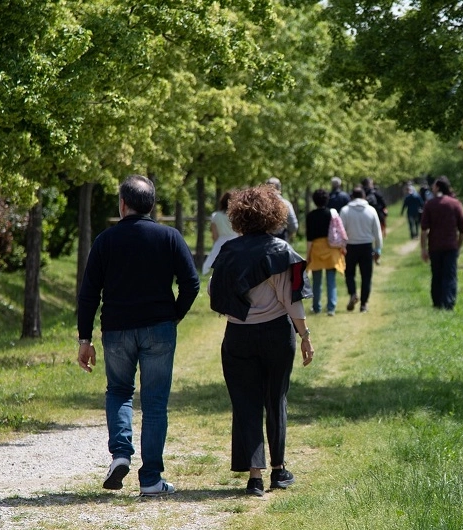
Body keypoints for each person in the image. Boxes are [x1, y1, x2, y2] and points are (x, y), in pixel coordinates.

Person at [76, 174, 200, 496]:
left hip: (116, 330)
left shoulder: (105, 241)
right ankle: (151, 480)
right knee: (155, 402)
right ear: (152, 205)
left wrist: (85, 339)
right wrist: (174, 315)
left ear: (122, 204)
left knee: (119, 391)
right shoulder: (169, 237)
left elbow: (89, 293)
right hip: (159, 327)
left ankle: (120, 454)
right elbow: (191, 283)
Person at [208, 185, 314, 496]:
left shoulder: (228, 251)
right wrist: (305, 335)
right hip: (275, 334)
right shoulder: (281, 251)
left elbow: (214, 292)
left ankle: (254, 476)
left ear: (238, 216)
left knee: (245, 403)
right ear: (275, 215)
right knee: (275, 399)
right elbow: (291, 299)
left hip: (237, 336)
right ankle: (279, 471)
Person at [420, 176, 463, 310]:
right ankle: (449, 302)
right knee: (450, 275)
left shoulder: (430, 204)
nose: (432, 188)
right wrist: (458, 246)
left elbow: (424, 229)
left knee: (437, 275)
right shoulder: (455, 204)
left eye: (433, 186)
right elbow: (462, 229)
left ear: (438, 187)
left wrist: (423, 248)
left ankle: (438, 302)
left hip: (435, 246)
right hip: (451, 246)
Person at [340, 186, 383, 313]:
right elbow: (377, 232)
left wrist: (342, 246)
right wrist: (378, 249)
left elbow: (341, 231)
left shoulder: (345, 210)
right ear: (364, 196)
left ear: (352, 196)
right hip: (366, 246)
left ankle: (353, 293)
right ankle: (364, 304)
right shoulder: (371, 210)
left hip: (350, 247)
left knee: (349, 274)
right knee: (366, 276)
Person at [306, 188, 346, 316]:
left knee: (316, 281)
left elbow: (309, 239)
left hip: (317, 249)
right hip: (331, 249)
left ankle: (316, 307)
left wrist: (308, 255)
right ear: (327, 200)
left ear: (314, 201)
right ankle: (331, 308)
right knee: (331, 280)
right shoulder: (331, 214)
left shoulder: (310, 216)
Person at [201, 190, 239, 275]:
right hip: (235, 240)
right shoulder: (236, 216)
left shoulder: (215, 215)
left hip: (221, 242)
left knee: (212, 264)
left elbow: (215, 236)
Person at [265, 177, 299, 241]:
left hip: (263, 240)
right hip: (281, 239)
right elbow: (294, 226)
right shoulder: (286, 204)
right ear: (279, 188)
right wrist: (288, 235)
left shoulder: (261, 205)